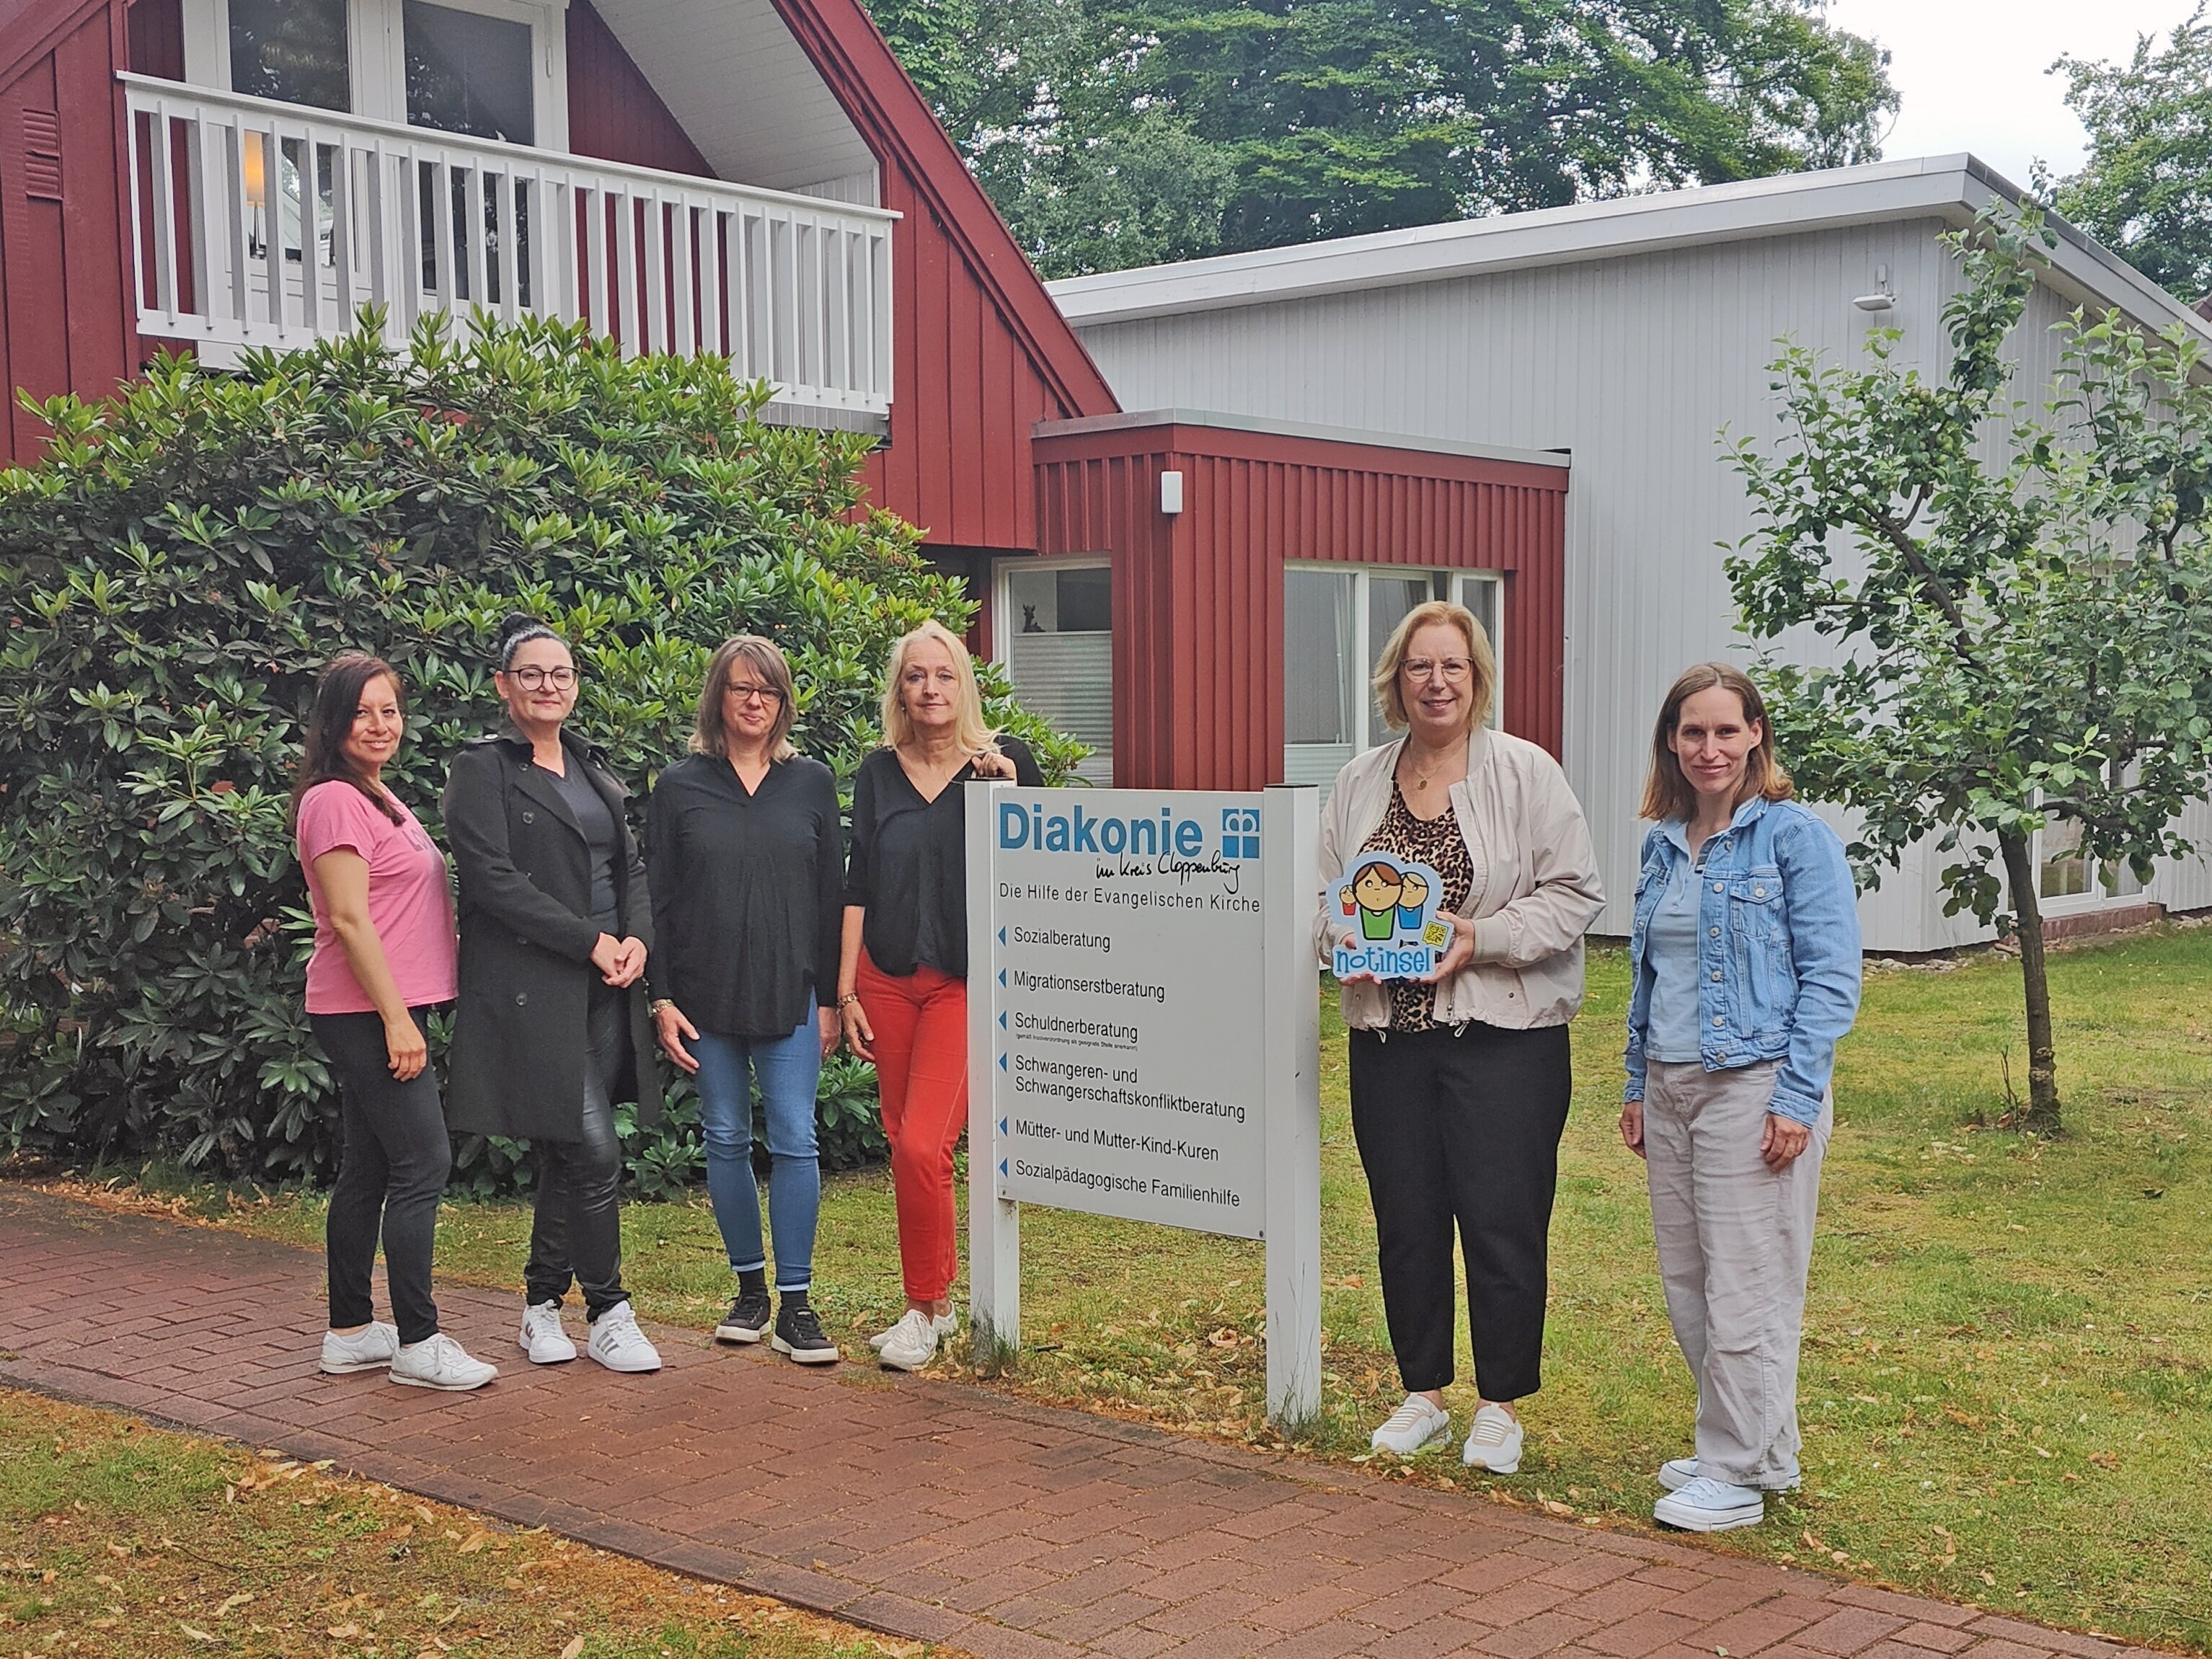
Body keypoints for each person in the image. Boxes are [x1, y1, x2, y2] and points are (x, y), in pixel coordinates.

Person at [1317, 599, 1603, 1472]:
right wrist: (1342, 949)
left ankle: (1500, 1406)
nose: (1435, 683)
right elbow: (1323, 897)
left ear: (1477, 679)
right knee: (1404, 1219)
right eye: (1417, 667)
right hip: (1389, 1042)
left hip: (1502, 1041)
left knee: (1500, 1219)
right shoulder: (1358, 780)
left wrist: (1479, 938)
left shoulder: (1525, 773)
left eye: (1453, 667)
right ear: (1393, 682)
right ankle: (1423, 1394)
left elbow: (1573, 893)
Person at [1620, 662, 1861, 1532]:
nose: (1709, 748)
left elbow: (1831, 980)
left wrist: (1795, 1099)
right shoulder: (1660, 844)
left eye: (1726, 730)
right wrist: (1634, 1083)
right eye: (1692, 732)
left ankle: (1733, 1471)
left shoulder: (1793, 838)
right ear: (1671, 743)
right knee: (1689, 1279)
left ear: (1755, 733)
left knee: (1748, 1285)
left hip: (1752, 1084)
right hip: (1671, 1086)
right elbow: (1647, 977)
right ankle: (1759, 1445)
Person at [443, 613, 664, 1375]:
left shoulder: (590, 763)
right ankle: (608, 1309)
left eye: (561, 674)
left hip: (608, 986)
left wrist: (636, 938)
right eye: (531, 674)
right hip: (538, 989)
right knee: (594, 1150)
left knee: (567, 1156)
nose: (549, 686)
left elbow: (629, 867)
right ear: (503, 686)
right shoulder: (482, 768)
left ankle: (540, 1306)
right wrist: (588, 940)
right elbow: (493, 881)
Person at [839, 619, 1042, 1372]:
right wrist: (843, 990)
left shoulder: (1000, 764)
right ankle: (935, 1301)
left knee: (926, 1141)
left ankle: (923, 1312)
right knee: (904, 1145)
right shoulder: (876, 771)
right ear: (900, 690)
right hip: (885, 978)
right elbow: (857, 881)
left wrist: (1014, 793)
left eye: (943, 675)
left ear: (964, 686)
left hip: (964, 981)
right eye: (915, 676)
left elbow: (1041, 851)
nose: (929, 689)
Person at [293, 654, 497, 1392]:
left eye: (389, 711)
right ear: (333, 721)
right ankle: (418, 1340)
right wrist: (395, 1021)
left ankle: (350, 1331)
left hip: (376, 1009)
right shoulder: (335, 802)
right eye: (362, 712)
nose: (379, 725)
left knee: (369, 1167)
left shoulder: (375, 794)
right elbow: (348, 917)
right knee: (423, 1163)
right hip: (364, 1011)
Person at [645, 637, 843, 1364]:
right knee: (724, 1139)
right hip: (704, 994)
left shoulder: (812, 783)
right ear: (716, 699)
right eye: (738, 688)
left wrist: (831, 999)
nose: (753, 701)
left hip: (793, 992)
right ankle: (749, 1293)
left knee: (795, 1138)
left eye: (766, 690)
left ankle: (796, 1306)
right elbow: (657, 901)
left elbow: (830, 897)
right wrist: (660, 995)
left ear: (784, 702)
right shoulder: (678, 786)